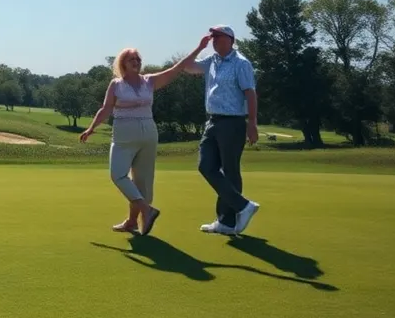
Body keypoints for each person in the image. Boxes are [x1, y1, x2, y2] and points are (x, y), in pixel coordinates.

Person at [81, 37, 210, 235]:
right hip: (124, 134)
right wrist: (91, 128)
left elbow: (178, 67)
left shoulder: (149, 81)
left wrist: (199, 48)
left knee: (142, 181)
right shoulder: (116, 85)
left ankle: (136, 219)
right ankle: (143, 212)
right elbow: (105, 109)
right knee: (118, 174)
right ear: (123, 63)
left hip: (148, 133)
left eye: (138, 59)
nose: (136, 62)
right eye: (131, 59)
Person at [184, 26, 261, 236]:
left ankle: (226, 222)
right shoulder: (211, 61)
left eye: (218, 36)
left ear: (230, 40)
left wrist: (252, 122)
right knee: (205, 165)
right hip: (212, 121)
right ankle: (243, 206)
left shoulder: (241, 63)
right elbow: (187, 66)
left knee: (230, 170)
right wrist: (199, 47)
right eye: (213, 37)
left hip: (233, 122)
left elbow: (250, 93)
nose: (214, 40)